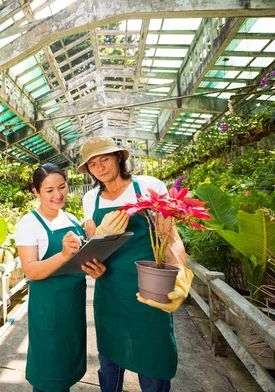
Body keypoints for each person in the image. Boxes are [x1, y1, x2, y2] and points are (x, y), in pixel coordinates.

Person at [78, 137, 193, 392]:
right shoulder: (90, 199)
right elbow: (91, 248)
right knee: (109, 362)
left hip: (149, 290)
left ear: (119, 157)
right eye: (93, 164)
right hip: (110, 292)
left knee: (153, 360)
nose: (100, 168)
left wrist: (182, 275)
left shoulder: (149, 186)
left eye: (105, 159)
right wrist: (93, 260)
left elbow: (170, 237)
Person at [15, 163, 106, 392]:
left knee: (66, 370)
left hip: (73, 309)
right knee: (48, 373)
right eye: (49, 190)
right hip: (48, 312)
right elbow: (31, 271)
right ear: (36, 192)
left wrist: (94, 265)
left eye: (62, 187)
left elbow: (81, 261)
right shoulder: (29, 224)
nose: (58, 195)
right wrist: (64, 254)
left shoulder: (73, 220)